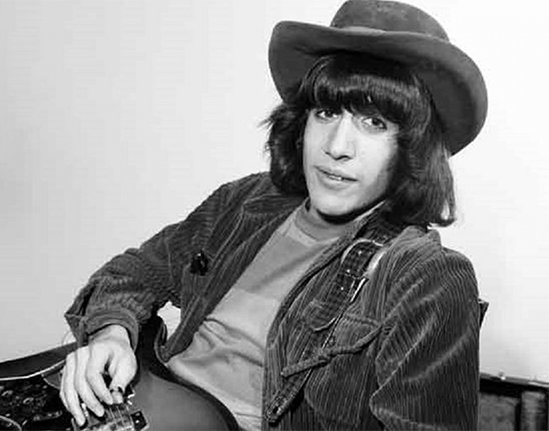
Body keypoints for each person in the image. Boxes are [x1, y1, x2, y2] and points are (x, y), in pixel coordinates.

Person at [60, 1, 488, 430]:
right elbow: (132, 272)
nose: (337, 146)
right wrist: (111, 335)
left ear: (412, 148)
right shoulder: (245, 202)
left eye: (374, 123)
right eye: (326, 113)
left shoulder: (425, 275)